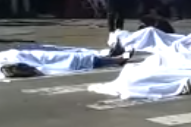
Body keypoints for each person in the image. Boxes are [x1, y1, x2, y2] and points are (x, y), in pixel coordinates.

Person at [1, 49, 134, 79]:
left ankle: (111, 57)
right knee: (72, 60)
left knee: (64, 55)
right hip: (22, 59)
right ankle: (116, 60)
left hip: (18, 55)